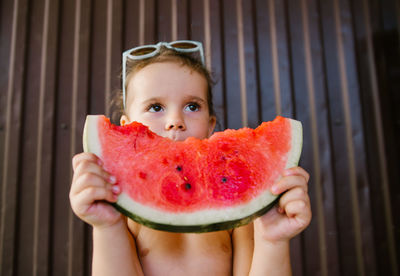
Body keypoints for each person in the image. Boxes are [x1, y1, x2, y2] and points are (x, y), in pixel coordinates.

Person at [70, 40, 312, 276]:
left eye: (192, 106)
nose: (176, 120)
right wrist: (107, 227)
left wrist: (273, 241)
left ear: (211, 126)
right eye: (155, 107)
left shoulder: (234, 208)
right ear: (125, 128)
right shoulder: (123, 212)